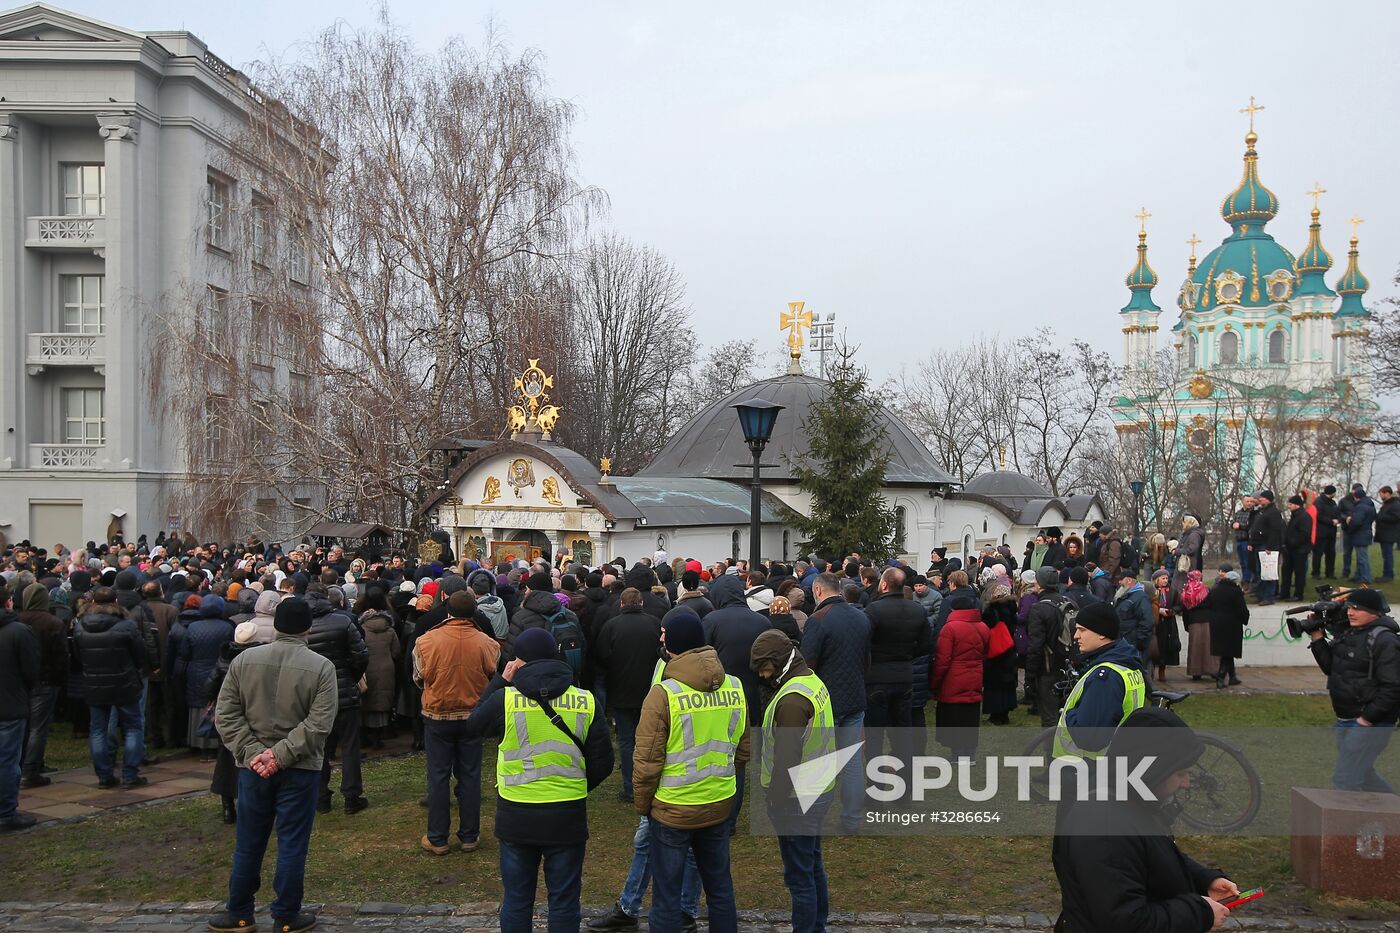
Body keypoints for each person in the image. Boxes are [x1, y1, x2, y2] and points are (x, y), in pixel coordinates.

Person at [464, 625, 612, 932]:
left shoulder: (505, 699)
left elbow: (474, 725)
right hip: (566, 812)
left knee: (518, 899)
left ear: (519, 662)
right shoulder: (585, 700)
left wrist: (499, 680)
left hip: (517, 811)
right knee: (564, 899)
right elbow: (603, 763)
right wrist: (575, 784)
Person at [207, 597, 339, 933]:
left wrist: (257, 754)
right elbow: (319, 724)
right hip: (296, 766)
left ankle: (239, 911)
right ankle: (285, 915)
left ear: (276, 625)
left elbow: (225, 714)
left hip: (258, 766)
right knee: (292, 842)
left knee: (250, 840)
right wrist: (267, 755)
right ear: (307, 628)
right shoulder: (320, 666)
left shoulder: (246, 660)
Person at [1053, 707, 1239, 932]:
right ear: (1151, 770)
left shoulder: (1130, 800)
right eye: (1180, 774)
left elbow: (1150, 853)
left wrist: (1203, 879)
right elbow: (1126, 921)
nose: (1186, 784)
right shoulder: (1105, 828)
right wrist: (1199, 913)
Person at [634, 612, 748, 933]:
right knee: (720, 889)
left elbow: (647, 762)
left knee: (667, 897)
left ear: (673, 644)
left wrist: (644, 807)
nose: (659, 639)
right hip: (719, 802)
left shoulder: (664, 694)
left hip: (673, 809)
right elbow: (743, 749)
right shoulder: (735, 687)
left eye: (663, 634)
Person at [750, 629, 835, 933]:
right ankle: (818, 926)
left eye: (765, 668)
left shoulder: (791, 702)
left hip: (795, 798)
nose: (762, 675)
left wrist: (775, 799)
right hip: (818, 786)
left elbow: (787, 759)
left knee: (799, 877)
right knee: (812, 866)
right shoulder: (811, 681)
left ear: (778, 662)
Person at [414, 590, 501, 854]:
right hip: (473, 715)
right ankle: (469, 835)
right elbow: (493, 673)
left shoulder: (426, 641)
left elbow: (418, 678)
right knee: (470, 775)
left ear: (448, 611)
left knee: (438, 777)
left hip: (438, 714)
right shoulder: (487, 643)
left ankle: (438, 838)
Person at [1307, 588, 1400, 793]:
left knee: (1345, 780)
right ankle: (1394, 812)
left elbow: (1393, 688)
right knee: (1363, 775)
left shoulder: (1385, 640)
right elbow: (1331, 668)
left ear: (1375, 612)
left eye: (1357, 609)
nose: (1350, 612)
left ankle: (1347, 825)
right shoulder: (1351, 633)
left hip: (1369, 723)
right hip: (1347, 718)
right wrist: (1317, 637)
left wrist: (1366, 720)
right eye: (1350, 607)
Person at [801, 571, 870, 833]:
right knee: (852, 762)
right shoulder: (861, 617)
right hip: (854, 697)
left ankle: (812, 817)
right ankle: (852, 819)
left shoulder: (817, 620)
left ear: (818, 591)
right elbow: (866, 661)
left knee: (818, 759)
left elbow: (807, 665)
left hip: (826, 701)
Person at [593, 587, 663, 803]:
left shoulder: (612, 626)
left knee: (626, 740)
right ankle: (652, 784)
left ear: (622, 604)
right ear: (641, 603)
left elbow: (602, 656)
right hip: (649, 690)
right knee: (651, 739)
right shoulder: (653, 623)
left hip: (621, 690)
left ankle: (631, 788)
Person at [1053, 602, 1148, 762]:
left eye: (1082, 630)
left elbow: (1088, 738)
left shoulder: (1105, 676)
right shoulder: (1126, 662)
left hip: (1088, 768)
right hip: (1116, 759)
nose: (1076, 635)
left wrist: (1070, 712)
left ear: (1102, 633)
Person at [74, 586, 149, 788]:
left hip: (96, 683)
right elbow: (140, 654)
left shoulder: (81, 626)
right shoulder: (126, 625)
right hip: (124, 682)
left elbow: (77, 656)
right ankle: (129, 774)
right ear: (115, 601)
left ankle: (104, 775)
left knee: (98, 729)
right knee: (132, 727)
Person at [306, 583, 369, 814]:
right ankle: (351, 796)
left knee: (319, 747)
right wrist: (352, 676)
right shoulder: (342, 621)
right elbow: (361, 655)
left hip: (315, 695)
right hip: (343, 690)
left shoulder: (304, 626)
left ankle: (322, 796)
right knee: (350, 746)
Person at [863, 567, 930, 761]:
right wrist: (906, 655)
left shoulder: (874, 610)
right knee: (902, 733)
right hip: (904, 676)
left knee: (875, 735)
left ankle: (877, 784)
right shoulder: (917, 610)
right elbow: (926, 645)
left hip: (877, 677)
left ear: (884, 584)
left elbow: (864, 642)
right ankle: (905, 781)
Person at [208, 621, 264, 824]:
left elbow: (211, 685)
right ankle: (246, 805)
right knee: (252, 755)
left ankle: (228, 807)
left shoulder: (225, 659)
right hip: (252, 712)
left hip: (230, 714)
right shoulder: (260, 659)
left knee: (226, 759)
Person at [18, 582, 66, 788]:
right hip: (45, 680)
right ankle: (31, 770)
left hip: (22, 680)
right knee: (38, 727)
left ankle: (22, 765)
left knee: (23, 725)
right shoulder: (53, 623)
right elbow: (61, 656)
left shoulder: (17, 620)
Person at [0, 582, 39, 831]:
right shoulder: (19, 631)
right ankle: (5, 812)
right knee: (7, 760)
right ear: (9, 602)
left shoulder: (18, 630)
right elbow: (31, 671)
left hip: (10, 701)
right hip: (10, 705)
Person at [931, 596, 989, 759]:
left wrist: (935, 682)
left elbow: (943, 659)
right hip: (975, 674)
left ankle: (957, 753)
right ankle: (970, 753)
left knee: (954, 716)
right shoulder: (983, 627)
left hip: (953, 677)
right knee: (971, 715)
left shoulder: (950, 628)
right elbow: (985, 652)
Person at [1026, 565, 1076, 727]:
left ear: (1040, 585)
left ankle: (1051, 751)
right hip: (1069, 663)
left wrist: (1030, 677)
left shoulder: (1039, 608)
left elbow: (1035, 646)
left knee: (1049, 716)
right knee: (1068, 712)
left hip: (1048, 667)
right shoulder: (1070, 602)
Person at [1196, 571, 1249, 689]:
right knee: (1228, 652)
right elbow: (1242, 609)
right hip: (1232, 625)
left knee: (1226, 652)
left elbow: (1206, 604)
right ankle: (1220, 677)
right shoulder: (1236, 592)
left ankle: (1233, 677)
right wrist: (1245, 619)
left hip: (1216, 625)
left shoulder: (1215, 589)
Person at [1248, 490, 1285, 605]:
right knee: (1260, 572)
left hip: (1267, 546)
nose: (1260, 500)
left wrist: (1270, 546)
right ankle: (1261, 595)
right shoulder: (1261, 511)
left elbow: (1275, 530)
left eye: (1262, 498)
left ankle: (1268, 596)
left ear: (1268, 499)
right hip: (1258, 544)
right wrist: (1252, 543)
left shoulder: (1273, 512)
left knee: (1268, 572)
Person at [1113, 571, 1154, 670]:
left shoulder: (1140, 598)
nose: (1119, 582)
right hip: (1124, 643)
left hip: (1133, 645)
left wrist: (1138, 641)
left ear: (1129, 580)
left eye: (1121, 579)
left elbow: (1147, 621)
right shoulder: (1125, 596)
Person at [1149, 570, 1181, 685]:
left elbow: (1179, 605)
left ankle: (1162, 670)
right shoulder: (1151, 591)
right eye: (1163, 578)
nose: (1165, 581)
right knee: (1154, 647)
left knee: (1165, 647)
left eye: (1167, 578)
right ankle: (1151, 670)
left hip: (1168, 624)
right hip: (1155, 624)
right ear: (1157, 579)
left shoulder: (1172, 592)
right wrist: (1158, 611)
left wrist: (1172, 611)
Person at [1281, 494, 1314, 602]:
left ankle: (1298, 595)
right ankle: (1284, 593)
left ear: (1297, 505)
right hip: (1290, 550)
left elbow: (1305, 534)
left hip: (1300, 550)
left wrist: (1292, 542)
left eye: (1290, 504)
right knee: (1286, 571)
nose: (1288, 506)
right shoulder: (1294, 516)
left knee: (1299, 573)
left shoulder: (1304, 517)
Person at [1343, 486, 1375, 585]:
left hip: (1360, 534)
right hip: (1366, 532)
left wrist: (1349, 522)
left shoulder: (1360, 507)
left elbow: (1357, 522)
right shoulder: (1370, 505)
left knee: (1362, 558)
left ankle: (1365, 578)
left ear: (1357, 497)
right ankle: (1359, 575)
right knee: (1362, 557)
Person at [1312, 485, 1341, 580]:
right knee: (1318, 553)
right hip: (1321, 532)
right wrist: (1331, 521)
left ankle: (1330, 573)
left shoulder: (1333, 503)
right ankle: (1316, 573)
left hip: (1331, 532)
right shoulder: (1319, 502)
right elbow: (1318, 516)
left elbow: (1338, 514)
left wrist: (1338, 520)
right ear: (1332, 493)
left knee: (1331, 553)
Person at [1230, 496, 1257, 589]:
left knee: (1247, 562)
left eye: (1251, 501)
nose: (1249, 503)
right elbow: (1232, 522)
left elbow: (1251, 527)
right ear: (1243, 502)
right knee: (1242, 562)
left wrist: (1240, 526)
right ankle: (1244, 579)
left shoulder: (1253, 513)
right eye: (1247, 501)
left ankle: (1247, 580)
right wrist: (1233, 524)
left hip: (1247, 541)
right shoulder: (1238, 513)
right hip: (1239, 540)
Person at [1376, 486, 1400, 583]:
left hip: (1389, 533)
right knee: (1385, 555)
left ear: (1387, 493)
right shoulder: (1386, 504)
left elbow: (1395, 517)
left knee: (1388, 555)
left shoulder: (1395, 504)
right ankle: (1386, 574)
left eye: (1381, 493)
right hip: (1384, 533)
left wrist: (1382, 517)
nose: (1380, 495)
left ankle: (1388, 575)